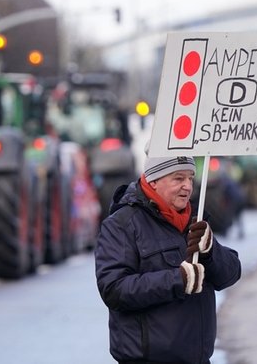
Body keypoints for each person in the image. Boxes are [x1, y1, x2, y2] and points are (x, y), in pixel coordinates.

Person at [95, 155, 241, 364]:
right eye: (178, 178)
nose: (187, 186)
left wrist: (211, 250)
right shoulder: (122, 224)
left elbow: (230, 275)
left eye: (190, 178)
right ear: (153, 180)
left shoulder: (195, 220)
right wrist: (178, 280)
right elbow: (114, 289)